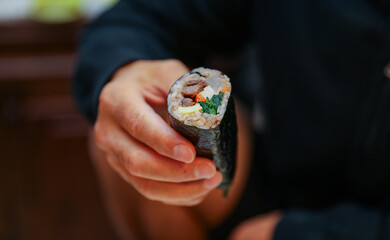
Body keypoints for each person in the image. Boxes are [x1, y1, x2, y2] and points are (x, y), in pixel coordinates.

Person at [73, 0, 390, 239]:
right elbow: (137, 18)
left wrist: (300, 233)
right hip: (273, 175)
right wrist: (128, 69)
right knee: (144, 127)